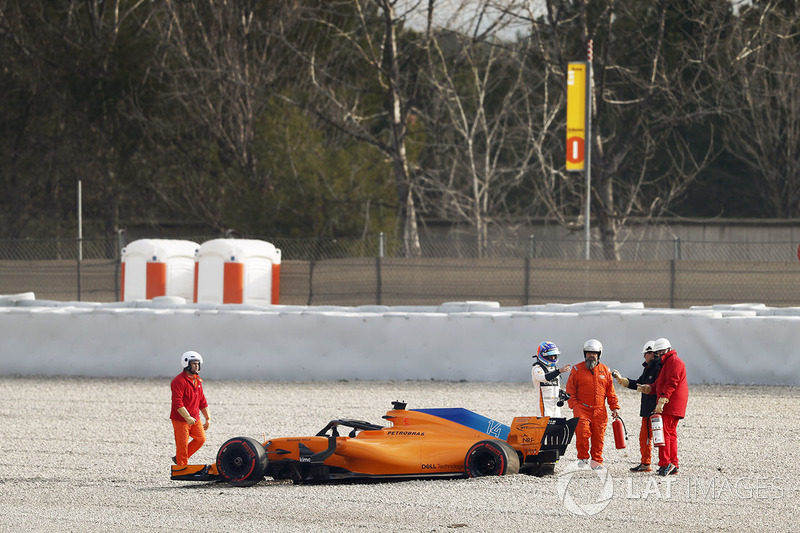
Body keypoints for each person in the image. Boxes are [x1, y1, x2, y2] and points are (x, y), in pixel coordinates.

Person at [566, 339, 621, 469]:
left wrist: (615, 407)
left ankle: (596, 461)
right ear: (585, 354)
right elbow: (570, 390)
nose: (591, 355)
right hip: (582, 408)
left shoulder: (605, 371)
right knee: (582, 433)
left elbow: (610, 392)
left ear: (599, 354)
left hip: (600, 410)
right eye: (588, 353)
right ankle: (583, 458)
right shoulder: (576, 369)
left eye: (594, 353)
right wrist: (574, 406)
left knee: (599, 436)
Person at [637, 337, 688, 476]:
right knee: (670, 434)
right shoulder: (668, 363)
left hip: (671, 404)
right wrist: (648, 388)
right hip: (673, 404)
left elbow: (671, 383)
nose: (659, 355)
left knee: (663, 435)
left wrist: (662, 400)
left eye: (660, 352)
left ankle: (666, 464)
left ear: (667, 350)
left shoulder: (674, 362)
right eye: (658, 352)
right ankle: (673, 464)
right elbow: (660, 384)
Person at [612, 340, 663, 472]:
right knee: (649, 437)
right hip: (649, 409)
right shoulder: (649, 368)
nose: (643, 357)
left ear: (651, 353)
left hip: (653, 410)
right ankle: (651, 463)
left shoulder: (658, 368)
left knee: (652, 438)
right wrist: (623, 381)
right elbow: (639, 384)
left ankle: (651, 463)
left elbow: (656, 387)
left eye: (645, 354)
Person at [170, 350, 211, 465]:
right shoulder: (178, 381)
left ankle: (179, 458)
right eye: (194, 364)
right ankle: (182, 467)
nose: (196, 366)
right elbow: (177, 403)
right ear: (186, 364)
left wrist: (208, 418)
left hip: (195, 418)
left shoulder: (197, 380)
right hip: (180, 420)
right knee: (182, 445)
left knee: (201, 439)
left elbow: (202, 401)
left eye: (198, 364)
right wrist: (187, 417)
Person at [531, 341, 572, 417]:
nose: (553, 358)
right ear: (543, 355)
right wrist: (559, 371)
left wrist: (561, 392)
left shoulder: (554, 368)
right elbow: (544, 378)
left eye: (554, 356)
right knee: (546, 425)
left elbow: (556, 385)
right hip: (544, 403)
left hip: (555, 404)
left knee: (556, 425)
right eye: (550, 356)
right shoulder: (537, 368)